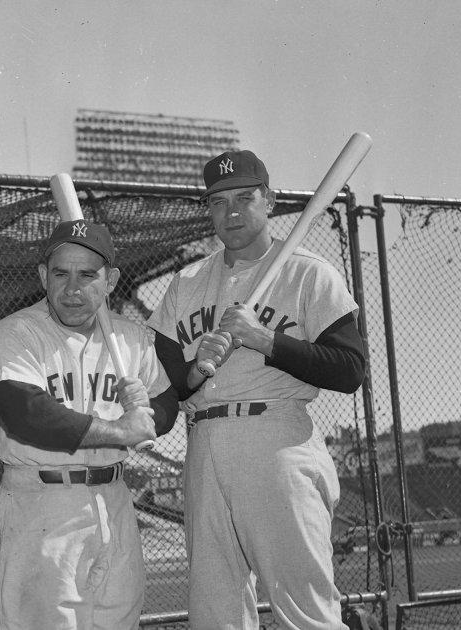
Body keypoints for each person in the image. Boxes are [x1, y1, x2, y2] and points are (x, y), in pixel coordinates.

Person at [146, 149, 367, 629]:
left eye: (245, 198)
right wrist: (194, 371)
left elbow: (350, 368)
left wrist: (263, 339)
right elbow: (170, 384)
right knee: (215, 611)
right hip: (203, 443)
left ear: (268, 201)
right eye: (218, 202)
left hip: (277, 438)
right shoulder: (186, 283)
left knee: (305, 610)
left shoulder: (309, 272)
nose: (231, 212)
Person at [0, 220, 179, 629]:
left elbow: (165, 404)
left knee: (118, 621)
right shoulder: (18, 331)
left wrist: (150, 414)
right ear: (43, 276)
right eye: (61, 273)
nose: (72, 288)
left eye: (87, 275)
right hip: (41, 503)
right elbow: (26, 414)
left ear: (110, 280)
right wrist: (121, 431)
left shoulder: (131, 338)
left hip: (114, 499)